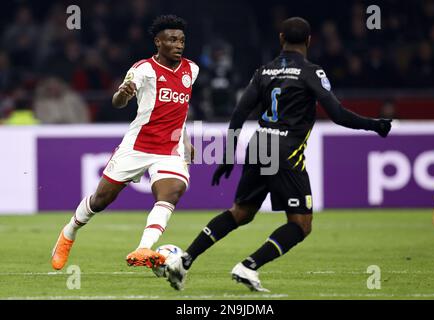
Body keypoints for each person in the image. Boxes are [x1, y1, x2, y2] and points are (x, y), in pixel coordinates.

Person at [165, 17, 392, 291]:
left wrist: (228, 154)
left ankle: (185, 260)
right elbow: (338, 115)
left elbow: (239, 113)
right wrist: (375, 125)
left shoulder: (264, 71)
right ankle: (248, 266)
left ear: (281, 37)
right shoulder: (311, 72)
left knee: (241, 212)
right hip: (286, 151)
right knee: (301, 224)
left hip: (260, 144)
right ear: (309, 41)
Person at [51, 15, 199, 270]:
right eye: (172, 39)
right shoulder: (143, 69)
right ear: (158, 42)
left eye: (182, 40)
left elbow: (181, 108)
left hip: (170, 150)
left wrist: (185, 139)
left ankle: (144, 248)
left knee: (171, 193)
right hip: (137, 146)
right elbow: (118, 101)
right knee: (101, 199)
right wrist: (123, 93)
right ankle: (69, 232)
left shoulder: (192, 70)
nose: (179, 44)